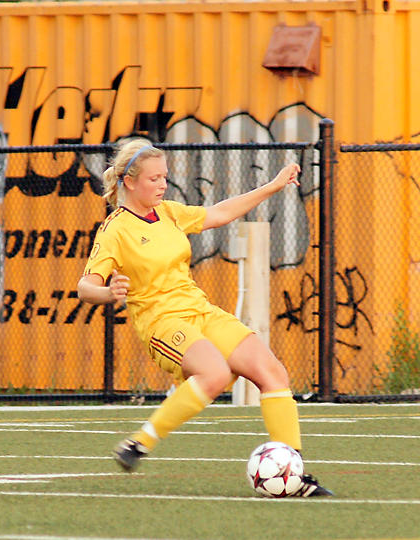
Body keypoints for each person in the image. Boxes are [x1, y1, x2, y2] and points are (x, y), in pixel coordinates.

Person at [77, 138, 333, 497]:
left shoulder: (167, 212)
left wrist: (274, 186)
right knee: (214, 373)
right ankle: (139, 443)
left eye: (165, 177)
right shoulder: (115, 230)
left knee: (273, 373)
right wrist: (107, 292)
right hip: (162, 322)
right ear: (129, 182)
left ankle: (294, 473)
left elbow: (220, 213)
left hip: (200, 310)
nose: (163, 185)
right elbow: (85, 286)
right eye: (154, 179)